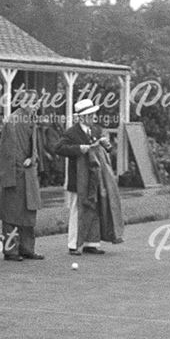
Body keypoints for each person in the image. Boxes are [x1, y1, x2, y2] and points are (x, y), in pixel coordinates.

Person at [56, 99, 124, 255]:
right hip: (77, 178)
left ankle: (91, 243)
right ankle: (74, 244)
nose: (93, 116)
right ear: (81, 117)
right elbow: (59, 148)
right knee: (77, 209)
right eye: (89, 114)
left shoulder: (96, 130)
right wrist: (80, 148)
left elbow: (106, 151)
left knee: (94, 207)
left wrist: (107, 146)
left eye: (93, 113)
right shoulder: (71, 132)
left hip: (94, 177)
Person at [0, 104, 44, 261]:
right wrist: (14, 173)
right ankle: (11, 251)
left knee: (28, 213)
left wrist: (33, 158)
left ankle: (27, 248)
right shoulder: (13, 120)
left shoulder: (29, 119)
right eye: (32, 103)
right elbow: (9, 151)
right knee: (12, 214)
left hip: (28, 173)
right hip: (16, 174)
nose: (36, 106)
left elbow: (33, 147)